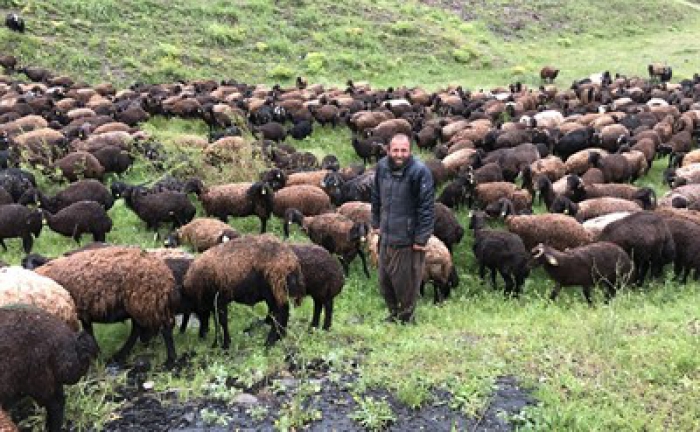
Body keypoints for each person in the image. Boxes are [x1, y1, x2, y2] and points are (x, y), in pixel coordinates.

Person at [370, 133, 435, 324]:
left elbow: (426, 207)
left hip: (407, 238)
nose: (399, 154)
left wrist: (421, 238)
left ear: (410, 151)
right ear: (388, 150)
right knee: (385, 280)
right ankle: (393, 313)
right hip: (387, 233)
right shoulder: (382, 167)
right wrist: (376, 223)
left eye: (404, 150)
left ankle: (406, 318)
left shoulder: (419, 172)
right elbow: (376, 197)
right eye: (396, 150)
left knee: (406, 282)